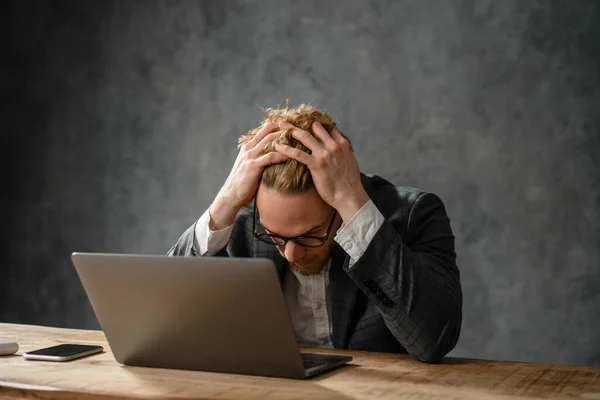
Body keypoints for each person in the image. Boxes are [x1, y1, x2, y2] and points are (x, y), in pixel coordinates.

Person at [168, 104, 462, 363]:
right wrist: (224, 202)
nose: (292, 254)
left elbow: (433, 342)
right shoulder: (246, 221)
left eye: (310, 235)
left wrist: (353, 205)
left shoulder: (414, 215)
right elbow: (163, 325)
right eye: (276, 236)